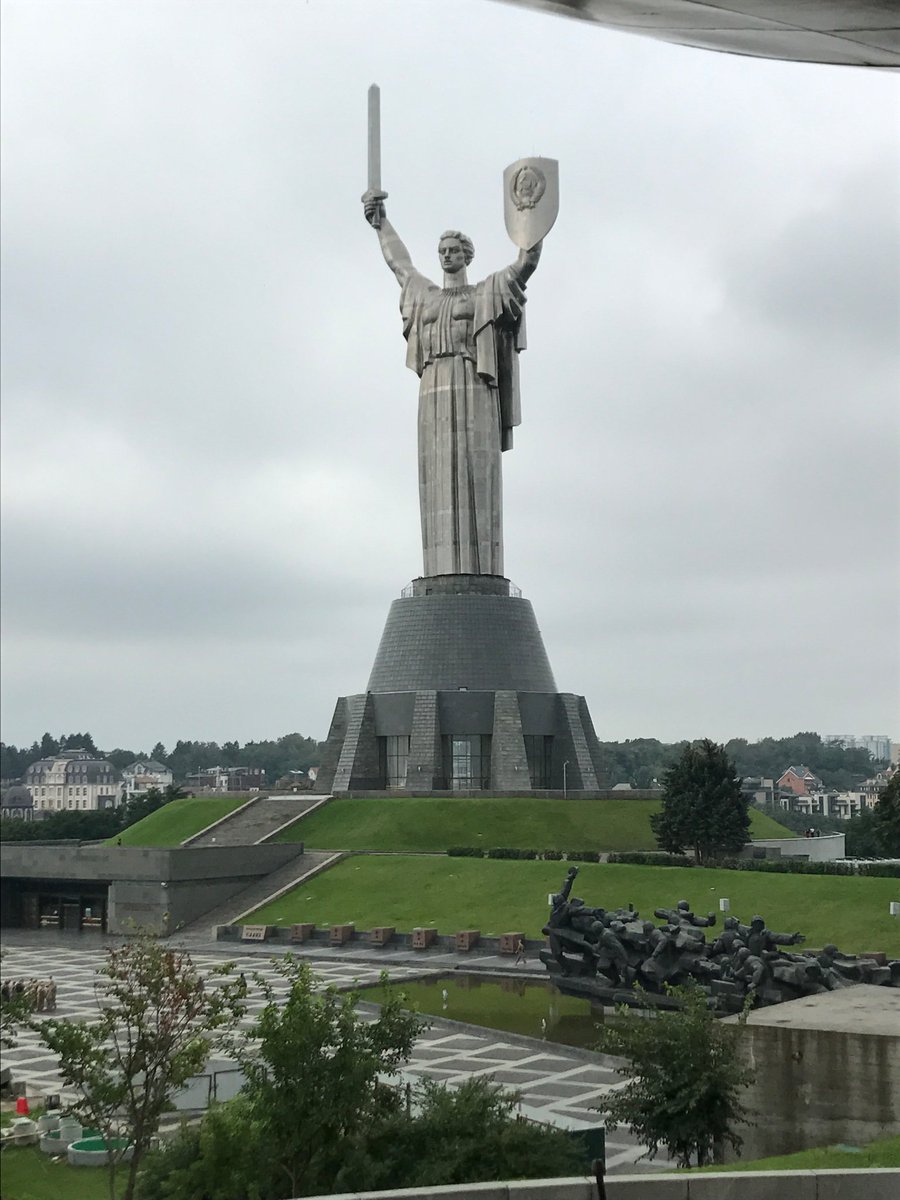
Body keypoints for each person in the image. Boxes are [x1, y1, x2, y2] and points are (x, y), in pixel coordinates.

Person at [363, 192, 541, 577]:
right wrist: (382, 224)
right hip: (432, 391)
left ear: (467, 256)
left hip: (474, 385)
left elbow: (525, 265)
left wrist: (532, 221)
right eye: (442, 250)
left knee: (476, 474)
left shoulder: (486, 293)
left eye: (453, 250)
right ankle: (440, 572)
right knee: (436, 480)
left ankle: (479, 572)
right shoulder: (425, 297)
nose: (446, 255)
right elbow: (400, 264)